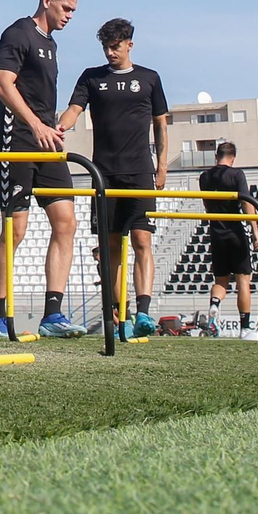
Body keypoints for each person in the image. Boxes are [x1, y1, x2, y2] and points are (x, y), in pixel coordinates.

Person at [58, 18, 169, 340]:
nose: (110, 53)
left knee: (142, 240)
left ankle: (145, 310)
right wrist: (59, 127)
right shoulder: (92, 78)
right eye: (106, 47)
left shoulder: (149, 79)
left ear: (129, 44)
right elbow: (74, 109)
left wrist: (162, 165)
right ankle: (123, 312)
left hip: (140, 172)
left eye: (115, 46)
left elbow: (161, 124)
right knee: (111, 246)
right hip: (104, 174)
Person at [0, 0, 87, 339]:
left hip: (47, 143)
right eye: (66, 8)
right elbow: (2, 84)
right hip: (16, 140)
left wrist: (52, 128)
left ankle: (53, 315)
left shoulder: (51, 44)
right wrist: (35, 124)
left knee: (66, 221)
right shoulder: (18, 33)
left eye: (73, 11)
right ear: (47, 1)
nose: (69, 16)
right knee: (15, 230)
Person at [199, 142, 258, 339]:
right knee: (243, 281)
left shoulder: (205, 177)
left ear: (216, 156)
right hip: (235, 232)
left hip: (216, 233)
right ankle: (245, 328)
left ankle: (215, 303)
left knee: (221, 281)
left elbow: (207, 204)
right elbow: (247, 203)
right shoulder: (237, 174)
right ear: (233, 158)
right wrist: (255, 231)